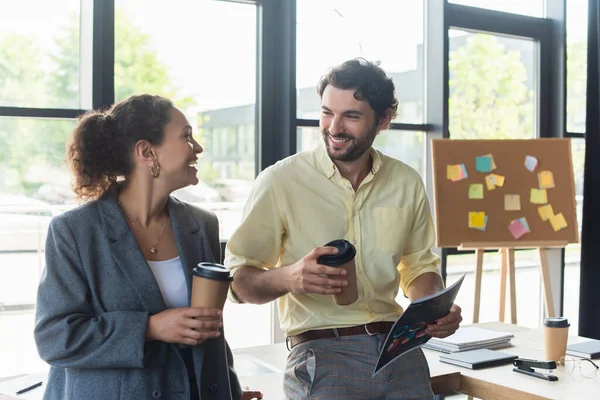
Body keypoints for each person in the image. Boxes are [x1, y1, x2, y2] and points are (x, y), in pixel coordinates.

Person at [224, 59, 462, 399]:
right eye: (326, 113)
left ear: (383, 120)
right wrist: (291, 277)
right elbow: (238, 283)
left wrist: (434, 311)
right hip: (324, 356)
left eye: (351, 116)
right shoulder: (280, 181)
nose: (333, 127)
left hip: (401, 355)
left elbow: (419, 265)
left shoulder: (406, 181)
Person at [34, 94, 262, 400]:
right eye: (186, 136)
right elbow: (55, 338)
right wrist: (149, 328)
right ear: (147, 152)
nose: (198, 148)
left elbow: (211, 333)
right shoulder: (74, 231)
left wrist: (228, 392)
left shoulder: (201, 225)